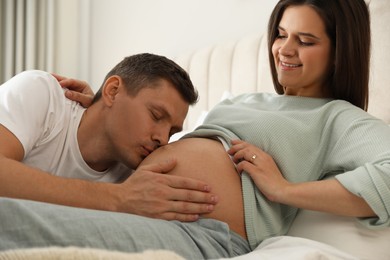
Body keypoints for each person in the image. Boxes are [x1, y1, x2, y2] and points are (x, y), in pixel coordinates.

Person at [1, 0, 389, 259]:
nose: (284, 50)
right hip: (137, 212)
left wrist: (283, 190)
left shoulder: (336, 117)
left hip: (202, 235)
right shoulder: (240, 102)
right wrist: (103, 103)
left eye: (305, 41)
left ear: (340, 52)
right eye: (281, 35)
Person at [0, 53, 219, 222]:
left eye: (172, 132)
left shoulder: (142, 179)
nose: (162, 139)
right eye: (156, 115)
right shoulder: (44, 94)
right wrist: (118, 198)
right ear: (113, 91)